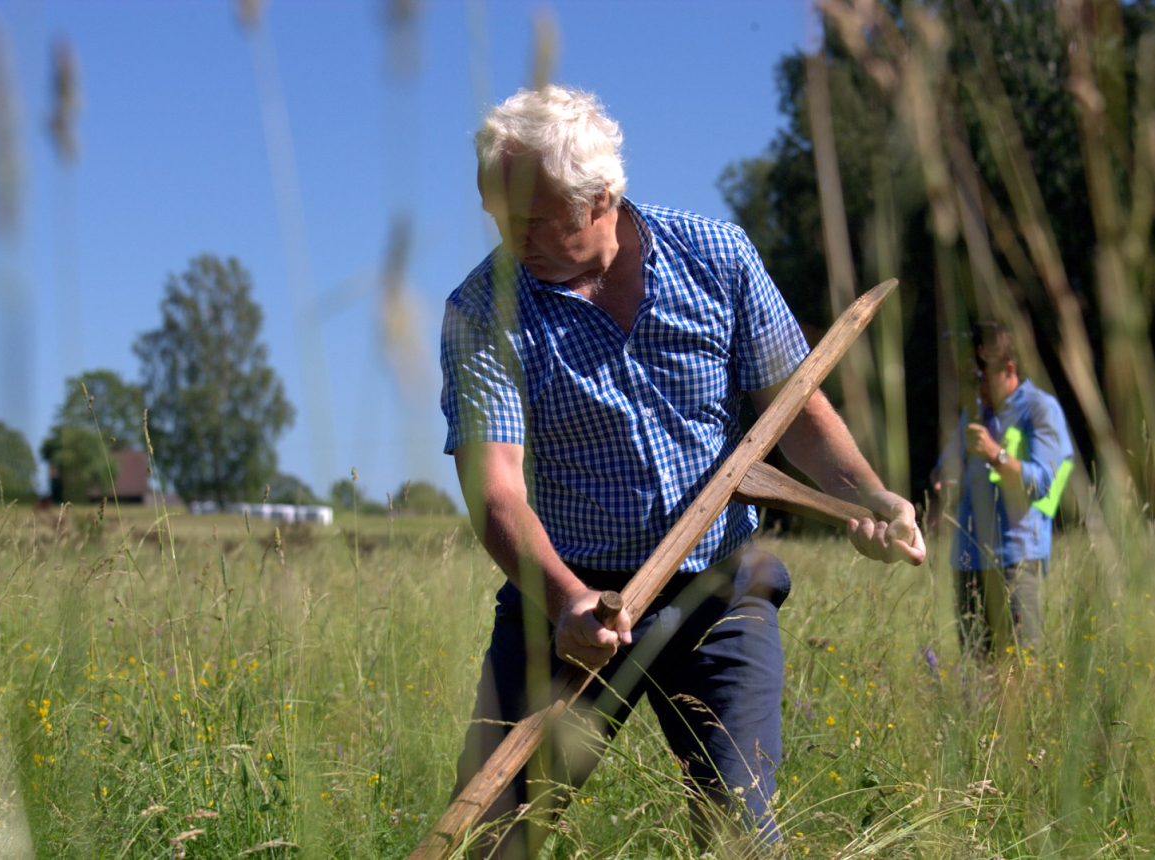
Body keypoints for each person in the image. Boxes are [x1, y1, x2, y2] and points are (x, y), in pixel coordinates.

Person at [439, 85, 925, 859]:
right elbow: (493, 485)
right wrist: (567, 602)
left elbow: (792, 407)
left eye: (532, 218)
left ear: (601, 197)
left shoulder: (715, 257)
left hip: (718, 592)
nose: (511, 238)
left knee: (737, 836)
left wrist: (865, 495)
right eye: (498, 216)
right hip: (569, 601)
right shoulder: (481, 312)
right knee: (497, 837)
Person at [932, 322, 1074, 658]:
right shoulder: (975, 412)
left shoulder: (1040, 409)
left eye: (980, 378)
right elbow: (944, 467)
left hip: (1015, 558)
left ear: (1008, 369)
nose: (975, 387)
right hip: (967, 559)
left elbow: (1044, 484)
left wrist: (996, 454)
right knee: (974, 669)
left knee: (1018, 667)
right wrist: (944, 479)